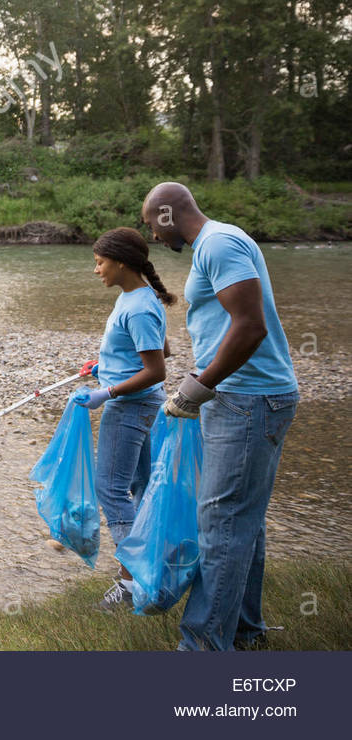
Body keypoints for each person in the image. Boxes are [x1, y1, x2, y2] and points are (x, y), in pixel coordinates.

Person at [142, 182, 299, 651]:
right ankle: (246, 633)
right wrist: (202, 381)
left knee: (222, 523)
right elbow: (227, 325)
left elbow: (251, 326)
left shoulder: (219, 244)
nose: (151, 235)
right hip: (238, 395)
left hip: (247, 399)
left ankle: (202, 648)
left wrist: (199, 386)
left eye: (151, 223)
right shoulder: (218, 242)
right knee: (240, 521)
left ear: (167, 215)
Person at [72, 227, 175, 612]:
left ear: (119, 262)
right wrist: (104, 366)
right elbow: (155, 348)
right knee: (140, 485)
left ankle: (131, 582)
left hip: (132, 405)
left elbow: (157, 369)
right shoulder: (137, 297)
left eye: (99, 262)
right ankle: (149, 570)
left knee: (110, 489)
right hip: (139, 403)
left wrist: (108, 392)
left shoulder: (139, 305)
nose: (95, 270)